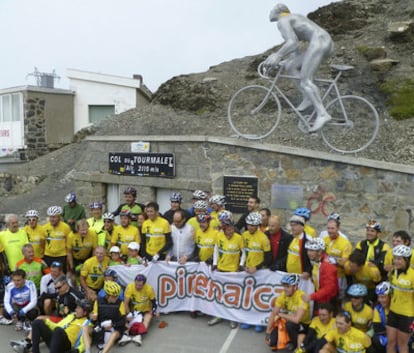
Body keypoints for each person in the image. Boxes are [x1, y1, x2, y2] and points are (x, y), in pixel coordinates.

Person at [263, 3, 335, 132]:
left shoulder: (283, 20)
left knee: (306, 80)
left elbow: (292, 42)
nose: (270, 12)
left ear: (277, 11)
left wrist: (277, 55)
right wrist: (285, 60)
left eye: (272, 9)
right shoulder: (293, 18)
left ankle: (322, 114)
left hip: (319, 41)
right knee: (291, 66)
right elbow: (295, 49)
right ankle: (307, 97)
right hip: (324, 41)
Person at [10, 298, 93, 353]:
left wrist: (77, 350)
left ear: (85, 312)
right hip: (55, 338)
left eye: (78, 308)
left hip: (65, 345)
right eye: (77, 307)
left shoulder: (87, 324)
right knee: (37, 322)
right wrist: (46, 321)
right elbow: (57, 326)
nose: (76, 309)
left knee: (58, 330)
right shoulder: (71, 316)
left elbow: (86, 342)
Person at [208, 218, 245, 329]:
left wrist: (241, 264)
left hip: (233, 270)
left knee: (231, 295)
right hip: (221, 269)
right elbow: (216, 250)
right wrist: (215, 263)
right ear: (223, 229)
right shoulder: (219, 236)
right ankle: (218, 315)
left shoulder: (239, 238)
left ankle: (232, 318)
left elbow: (243, 253)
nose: (231, 231)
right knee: (220, 294)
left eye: (232, 228)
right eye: (228, 229)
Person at [241, 212, 271, 332]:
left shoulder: (263, 238)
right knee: (247, 297)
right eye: (248, 225)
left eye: (253, 225)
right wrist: (242, 265)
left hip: (259, 271)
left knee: (258, 298)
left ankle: (259, 322)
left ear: (258, 225)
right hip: (247, 270)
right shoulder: (244, 235)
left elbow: (268, 258)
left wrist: (257, 267)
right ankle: (248, 320)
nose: (250, 227)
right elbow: (243, 252)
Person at [265, 274, 311, 351]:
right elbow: (273, 313)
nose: (285, 289)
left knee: (289, 325)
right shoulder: (283, 295)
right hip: (289, 321)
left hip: (303, 324)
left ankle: (295, 344)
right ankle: (288, 339)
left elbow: (297, 320)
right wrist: (268, 331)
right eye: (284, 286)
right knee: (272, 343)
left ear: (295, 286)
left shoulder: (302, 296)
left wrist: (281, 314)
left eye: (288, 286)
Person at [83, 281, 126, 353]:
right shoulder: (98, 302)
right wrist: (92, 317)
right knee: (84, 328)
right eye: (114, 296)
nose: (116, 298)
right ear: (107, 295)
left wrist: (113, 324)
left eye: (117, 296)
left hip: (114, 328)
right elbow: (94, 319)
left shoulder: (120, 303)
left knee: (114, 334)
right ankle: (87, 351)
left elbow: (123, 321)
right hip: (101, 327)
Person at [386, 245, 414, 353]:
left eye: (399, 259)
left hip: (407, 314)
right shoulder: (393, 272)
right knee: (390, 342)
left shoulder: (412, 274)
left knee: (402, 345)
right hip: (393, 311)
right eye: (395, 258)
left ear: (406, 260)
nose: (396, 261)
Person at [320, 212, 352, 302]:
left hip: (339, 277)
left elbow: (344, 262)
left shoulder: (345, 243)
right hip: (325, 275)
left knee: (338, 300)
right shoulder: (324, 239)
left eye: (332, 228)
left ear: (338, 228)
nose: (330, 231)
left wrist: (332, 260)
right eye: (328, 228)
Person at [302, 238, 338, 310]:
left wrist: (311, 297)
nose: (309, 253)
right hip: (320, 297)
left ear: (320, 251)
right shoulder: (317, 261)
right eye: (308, 250)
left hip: (327, 300)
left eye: (312, 250)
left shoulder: (327, 266)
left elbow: (329, 288)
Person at [122, 274, 158, 347]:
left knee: (149, 317)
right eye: (136, 284)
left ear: (144, 284)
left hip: (145, 310)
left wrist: (154, 311)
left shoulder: (149, 289)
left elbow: (154, 303)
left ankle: (139, 336)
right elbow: (125, 303)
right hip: (132, 309)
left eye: (140, 285)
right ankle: (125, 335)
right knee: (124, 315)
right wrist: (128, 314)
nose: (138, 287)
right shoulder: (130, 287)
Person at [67, 219, 98, 285]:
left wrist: (91, 262)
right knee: (74, 277)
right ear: (77, 229)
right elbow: (69, 252)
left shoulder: (93, 234)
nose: (84, 232)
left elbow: (94, 249)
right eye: (82, 230)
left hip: (87, 257)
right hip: (75, 257)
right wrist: (71, 266)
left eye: (86, 230)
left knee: (86, 276)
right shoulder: (71, 235)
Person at [43, 206, 71, 272]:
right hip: (48, 256)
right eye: (50, 217)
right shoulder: (44, 227)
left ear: (59, 217)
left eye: (54, 217)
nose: (52, 219)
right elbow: (43, 243)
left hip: (61, 256)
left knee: (61, 276)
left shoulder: (66, 227)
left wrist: (68, 259)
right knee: (48, 276)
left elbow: (68, 244)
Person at [286, 215, 312, 279]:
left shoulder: (308, 240)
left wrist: (308, 271)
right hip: (289, 275)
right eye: (291, 225)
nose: (292, 227)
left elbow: (313, 259)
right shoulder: (290, 237)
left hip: (302, 277)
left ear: (302, 226)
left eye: (295, 225)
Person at [367, 282, 391, 353]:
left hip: (400, 336)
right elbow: (377, 329)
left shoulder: (399, 308)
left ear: (390, 296)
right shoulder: (378, 309)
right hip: (385, 335)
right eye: (379, 297)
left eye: (383, 297)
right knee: (377, 340)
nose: (380, 300)